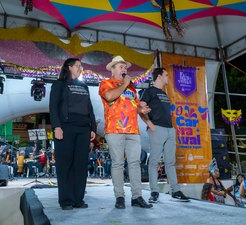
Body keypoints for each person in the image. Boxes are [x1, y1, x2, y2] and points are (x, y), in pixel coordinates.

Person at [99, 55, 152, 209]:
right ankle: (120, 197)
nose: (124, 69)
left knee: (135, 163)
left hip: (133, 130)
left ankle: (137, 197)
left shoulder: (132, 88)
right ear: (113, 69)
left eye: (125, 67)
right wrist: (124, 84)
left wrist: (142, 109)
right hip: (114, 129)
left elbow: (136, 107)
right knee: (117, 163)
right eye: (121, 67)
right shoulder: (106, 83)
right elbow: (109, 97)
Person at [49, 58, 97, 210]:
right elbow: (53, 106)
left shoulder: (84, 86)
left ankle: (78, 200)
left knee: (81, 165)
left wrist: (93, 128)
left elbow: (90, 108)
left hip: (83, 129)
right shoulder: (59, 84)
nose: (80, 68)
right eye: (78, 66)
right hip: (66, 128)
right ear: (69, 67)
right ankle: (66, 200)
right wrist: (56, 126)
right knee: (65, 165)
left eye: (81, 66)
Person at [140, 67, 189, 203]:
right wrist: (149, 124)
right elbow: (141, 108)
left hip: (169, 130)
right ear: (159, 76)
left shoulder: (164, 93)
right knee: (154, 162)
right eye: (166, 75)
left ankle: (176, 191)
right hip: (157, 129)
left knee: (170, 162)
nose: (168, 77)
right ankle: (154, 192)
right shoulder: (149, 91)